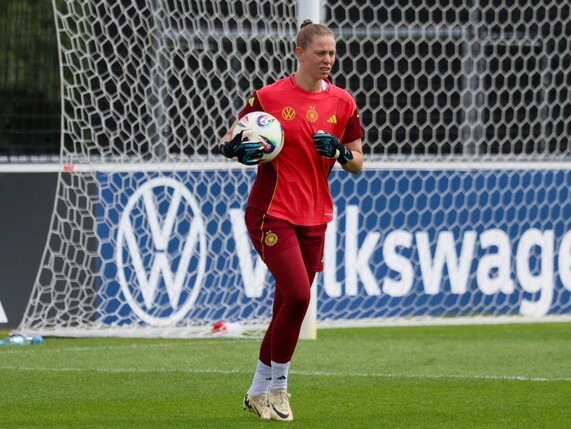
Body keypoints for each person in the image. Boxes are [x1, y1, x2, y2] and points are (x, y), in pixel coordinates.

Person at [218, 19, 364, 422]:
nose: (328, 59)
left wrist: (339, 151)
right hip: (271, 213)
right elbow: (229, 139)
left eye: (332, 53)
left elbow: (357, 163)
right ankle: (279, 388)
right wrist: (235, 150)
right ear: (299, 53)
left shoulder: (343, 102)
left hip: (315, 217)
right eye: (320, 53)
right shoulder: (268, 97)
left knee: (286, 304)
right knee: (299, 297)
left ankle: (256, 393)